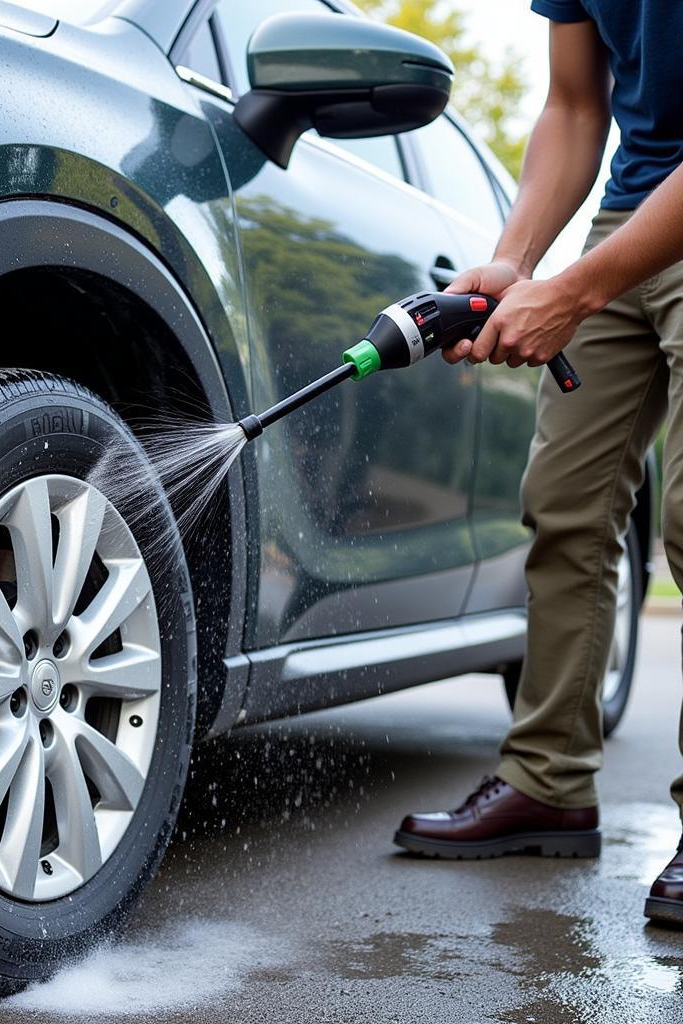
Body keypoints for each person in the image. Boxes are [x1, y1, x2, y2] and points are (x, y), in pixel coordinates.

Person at [393, 0, 683, 928]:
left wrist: (577, 291)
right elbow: (571, 102)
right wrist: (518, 260)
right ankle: (549, 780)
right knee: (564, 505)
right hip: (631, 216)